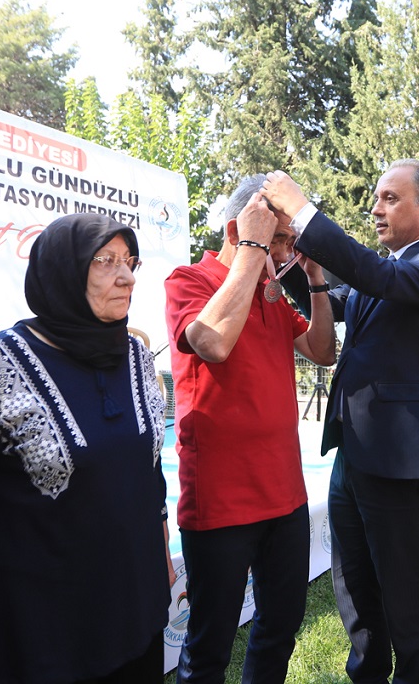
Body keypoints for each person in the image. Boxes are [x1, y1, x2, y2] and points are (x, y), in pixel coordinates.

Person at [262, 160, 419, 684]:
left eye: (389, 198)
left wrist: (302, 211)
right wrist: (307, 273)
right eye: (376, 198)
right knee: (353, 586)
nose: (375, 209)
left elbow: (377, 277)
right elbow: (334, 302)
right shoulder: (385, 269)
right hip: (352, 455)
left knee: (404, 593)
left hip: (403, 461)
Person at [0, 214, 172, 683]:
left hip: (133, 605)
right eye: (105, 261)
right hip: (41, 629)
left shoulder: (135, 355)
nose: (127, 277)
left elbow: (148, 466)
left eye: (130, 261)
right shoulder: (1, 363)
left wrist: (161, 550)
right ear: (63, 271)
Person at [164, 176, 336, 684]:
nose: (285, 253)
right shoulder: (189, 279)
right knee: (209, 645)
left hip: (285, 495)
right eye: (278, 239)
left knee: (280, 628)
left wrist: (316, 280)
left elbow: (323, 351)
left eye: (289, 242)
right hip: (221, 500)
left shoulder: (270, 291)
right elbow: (213, 343)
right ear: (239, 230)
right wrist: (254, 250)